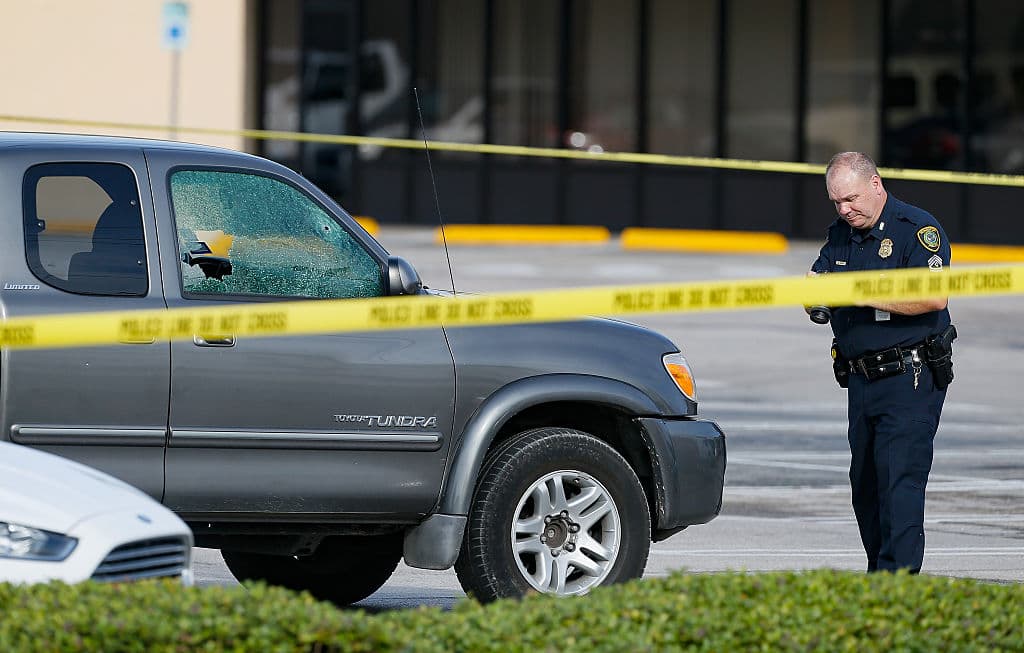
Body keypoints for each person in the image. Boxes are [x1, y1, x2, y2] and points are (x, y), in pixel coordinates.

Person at [808, 151, 956, 574]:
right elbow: (818, 283)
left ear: (875, 184)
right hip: (860, 379)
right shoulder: (841, 234)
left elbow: (933, 297)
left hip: (909, 376)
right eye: (836, 202)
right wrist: (811, 293)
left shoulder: (917, 230)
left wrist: (856, 291)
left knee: (898, 484)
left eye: (851, 199)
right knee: (866, 487)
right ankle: (880, 576)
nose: (844, 209)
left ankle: (898, 585)